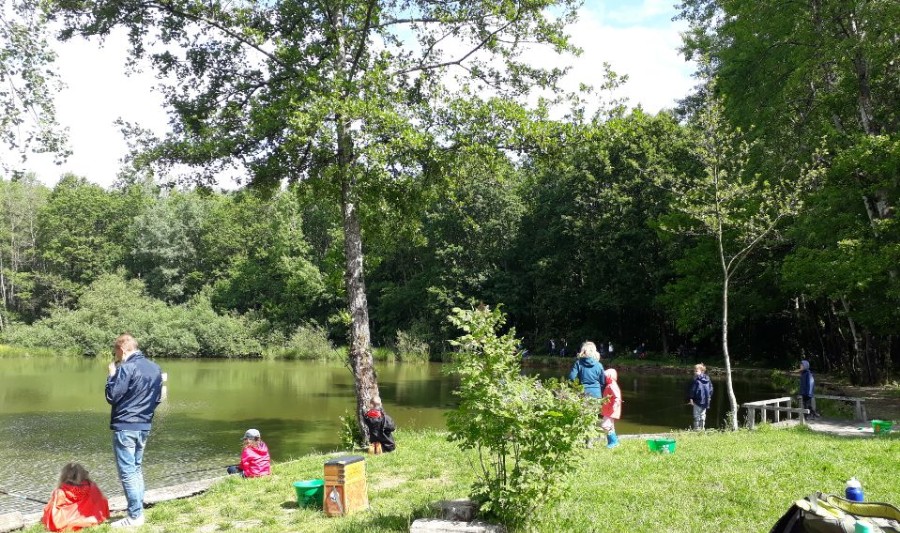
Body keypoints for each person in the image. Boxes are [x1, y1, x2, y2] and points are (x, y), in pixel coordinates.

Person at [105, 334, 163, 528]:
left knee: (128, 473)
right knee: (136, 469)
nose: (117, 357)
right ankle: (138, 512)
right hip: (144, 425)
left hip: (126, 426)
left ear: (122, 349)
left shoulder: (126, 368)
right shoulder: (155, 368)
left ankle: (135, 516)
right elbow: (157, 399)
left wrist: (111, 375)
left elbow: (112, 396)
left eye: (116, 353)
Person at [41, 462, 110, 532]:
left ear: (64, 476)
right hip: (92, 519)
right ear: (84, 474)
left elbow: (53, 510)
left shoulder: (60, 491)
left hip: (65, 523)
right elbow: (102, 503)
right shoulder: (93, 487)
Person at [601, 368, 622, 448]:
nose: (604, 378)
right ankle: (612, 442)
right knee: (610, 426)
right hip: (608, 409)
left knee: (605, 425)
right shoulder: (609, 385)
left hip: (611, 410)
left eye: (605, 377)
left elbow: (617, 397)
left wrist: (615, 405)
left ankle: (614, 442)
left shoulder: (612, 385)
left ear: (610, 377)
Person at [688, 363, 713, 430]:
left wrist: (691, 398)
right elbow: (711, 389)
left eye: (696, 371)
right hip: (706, 401)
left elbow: (693, 390)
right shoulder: (708, 379)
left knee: (696, 415)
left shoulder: (696, 380)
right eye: (694, 371)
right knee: (702, 414)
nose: (695, 372)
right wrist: (709, 397)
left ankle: (696, 429)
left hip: (697, 401)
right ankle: (702, 428)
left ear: (702, 371)